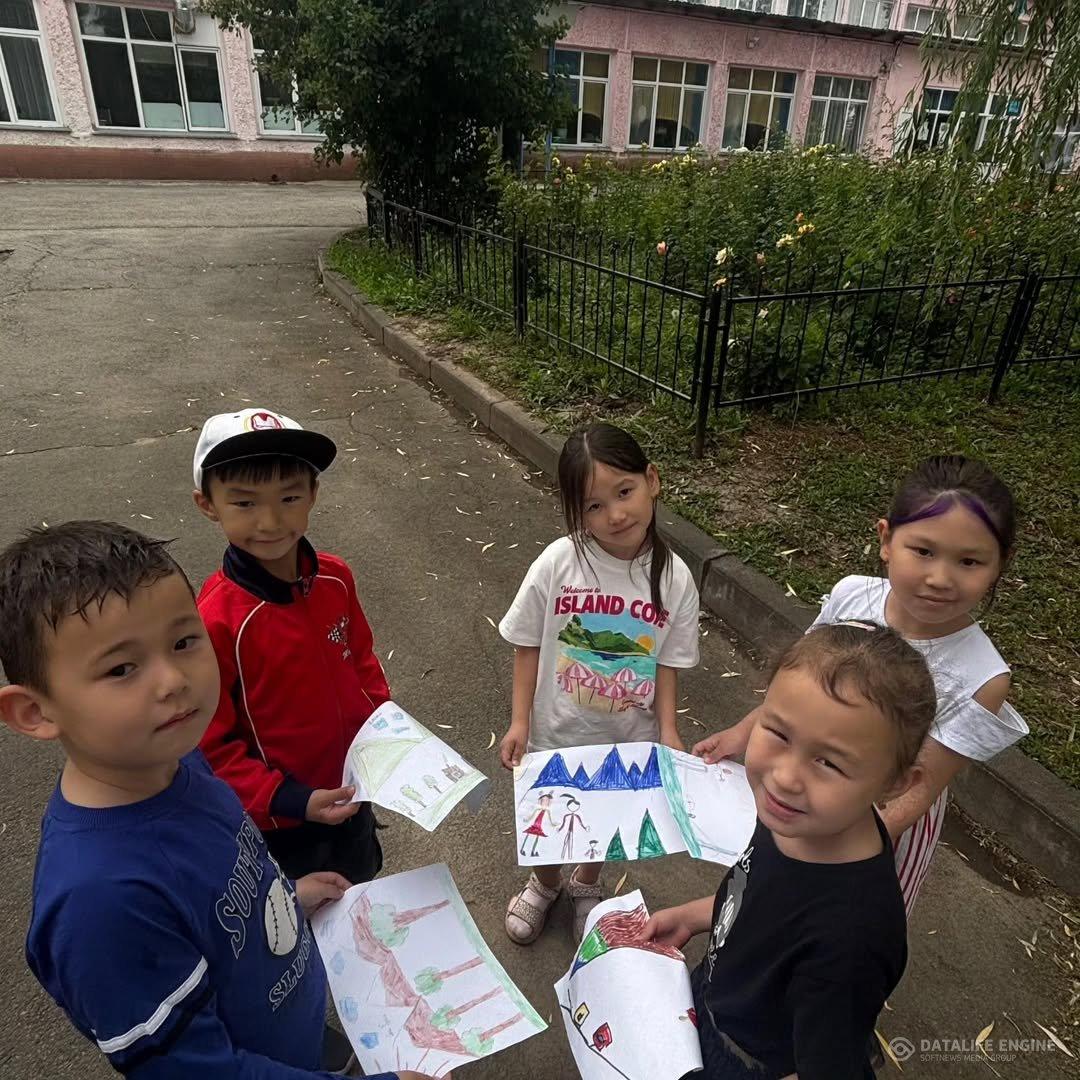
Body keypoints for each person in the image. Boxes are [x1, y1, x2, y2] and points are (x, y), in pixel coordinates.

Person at [0, 521, 430, 1079]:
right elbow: (195, 1068)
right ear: (35, 712)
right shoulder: (99, 903)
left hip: (290, 1031)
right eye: (122, 668)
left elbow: (221, 886)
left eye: (184, 642)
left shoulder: (178, 759)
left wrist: (287, 897)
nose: (174, 680)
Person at [693, 455, 1027, 913]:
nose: (939, 578)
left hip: (881, 822)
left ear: (1000, 564)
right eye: (923, 551)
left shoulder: (983, 676)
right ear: (887, 540)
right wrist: (743, 732)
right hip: (806, 781)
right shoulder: (852, 594)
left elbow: (920, 787)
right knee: (765, 895)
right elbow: (801, 686)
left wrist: (834, 856)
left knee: (840, 918)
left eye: (969, 561)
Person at [642, 623, 936, 1079]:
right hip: (715, 1004)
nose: (785, 777)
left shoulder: (850, 941)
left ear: (896, 783)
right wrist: (694, 916)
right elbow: (757, 888)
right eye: (778, 733)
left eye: (829, 762)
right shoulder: (797, 818)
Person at [499, 423, 700, 943]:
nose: (614, 514)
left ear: (652, 480)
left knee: (603, 818)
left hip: (627, 737)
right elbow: (527, 643)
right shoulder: (558, 562)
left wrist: (668, 730)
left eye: (624, 491)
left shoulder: (675, 579)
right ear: (575, 511)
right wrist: (519, 721)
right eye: (593, 505)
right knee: (547, 821)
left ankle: (586, 882)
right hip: (555, 731)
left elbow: (668, 662)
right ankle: (544, 885)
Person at [192, 407, 391, 884]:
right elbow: (208, 744)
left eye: (289, 497)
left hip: (353, 791)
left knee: (360, 887)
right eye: (244, 503)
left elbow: (362, 661)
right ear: (207, 505)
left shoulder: (336, 578)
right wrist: (288, 799)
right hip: (280, 821)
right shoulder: (215, 620)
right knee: (293, 919)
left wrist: (383, 730)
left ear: (313, 494)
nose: (270, 521)